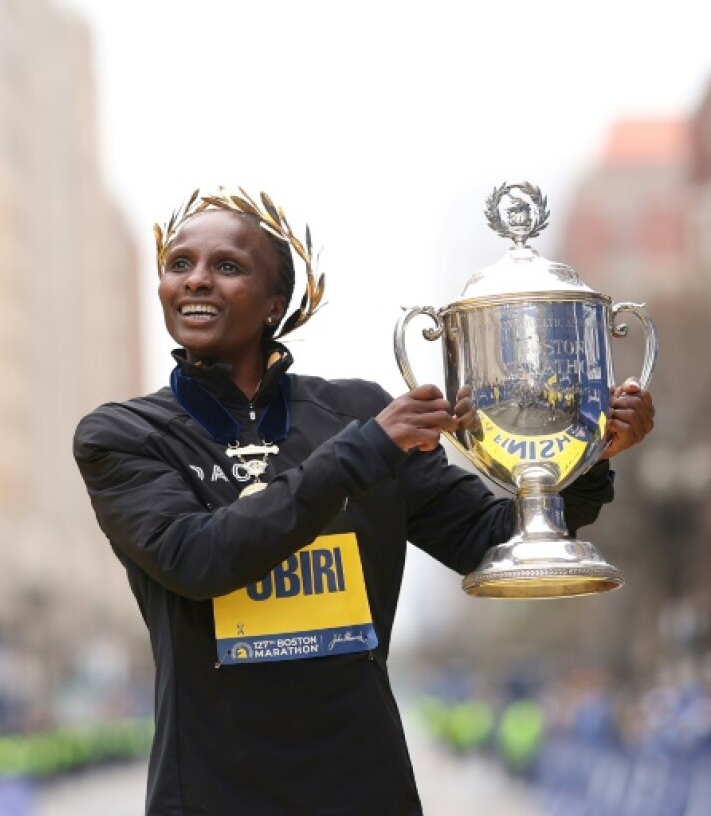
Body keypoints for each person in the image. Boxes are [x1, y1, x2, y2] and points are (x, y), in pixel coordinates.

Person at [71, 189, 656, 815]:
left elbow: (489, 540)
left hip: (367, 794)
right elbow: (198, 558)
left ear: (275, 304)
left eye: (228, 266)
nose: (196, 281)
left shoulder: (356, 412)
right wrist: (364, 451)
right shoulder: (123, 435)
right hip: (210, 799)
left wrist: (588, 457)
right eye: (179, 265)